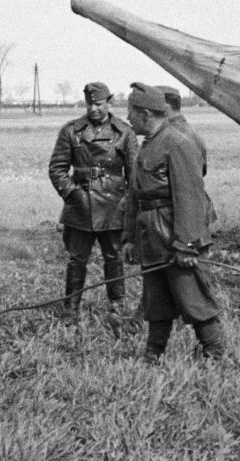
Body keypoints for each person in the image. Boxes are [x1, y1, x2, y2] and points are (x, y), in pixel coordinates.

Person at [121, 82, 225, 361]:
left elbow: (190, 197)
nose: (127, 118)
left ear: (145, 114)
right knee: (157, 301)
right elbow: (135, 197)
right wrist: (129, 238)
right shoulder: (147, 146)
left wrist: (187, 245)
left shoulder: (178, 144)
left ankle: (215, 353)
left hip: (176, 239)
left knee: (193, 298)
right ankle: (152, 355)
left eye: (130, 112)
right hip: (151, 238)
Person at [48, 81, 136, 313]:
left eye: (98, 104)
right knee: (77, 259)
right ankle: (71, 308)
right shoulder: (71, 131)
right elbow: (57, 169)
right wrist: (73, 194)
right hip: (80, 206)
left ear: (109, 102)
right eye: (89, 104)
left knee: (114, 258)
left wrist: (128, 203)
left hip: (113, 205)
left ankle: (117, 306)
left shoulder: (124, 132)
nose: (93, 109)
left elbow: (134, 175)